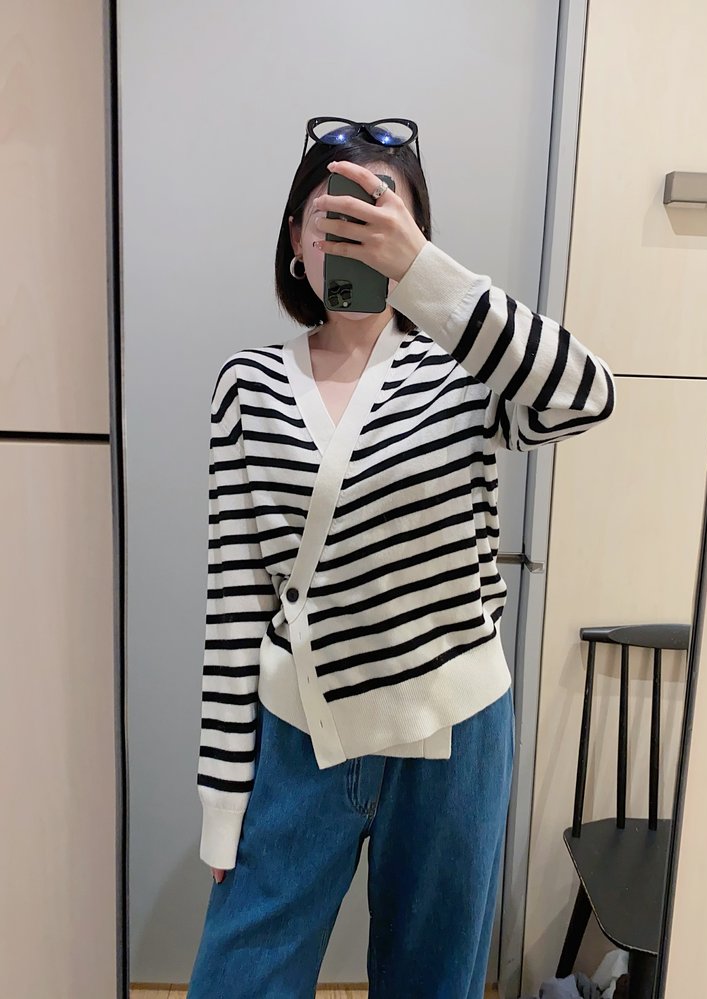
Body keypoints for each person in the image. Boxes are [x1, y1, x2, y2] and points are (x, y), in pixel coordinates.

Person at [187, 118, 616, 999]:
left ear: (414, 235)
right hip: (303, 729)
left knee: (433, 981)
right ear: (295, 238)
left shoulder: (470, 370)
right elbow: (235, 599)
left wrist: (426, 275)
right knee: (241, 977)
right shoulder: (248, 384)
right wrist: (222, 802)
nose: (352, 233)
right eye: (331, 215)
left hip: (454, 732)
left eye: (380, 215)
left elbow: (587, 395)